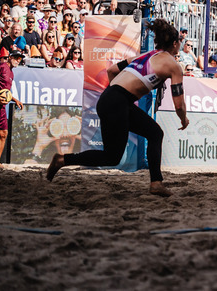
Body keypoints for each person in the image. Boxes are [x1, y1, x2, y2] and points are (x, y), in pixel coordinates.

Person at [46, 19, 188, 196]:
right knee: (113, 156)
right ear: (175, 43)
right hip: (118, 102)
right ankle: (62, 160)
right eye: (180, 43)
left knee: (153, 133)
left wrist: (118, 97)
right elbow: (178, 104)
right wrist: (184, 119)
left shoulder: (147, 55)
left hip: (110, 98)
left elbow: (112, 70)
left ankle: (156, 183)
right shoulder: (174, 66)